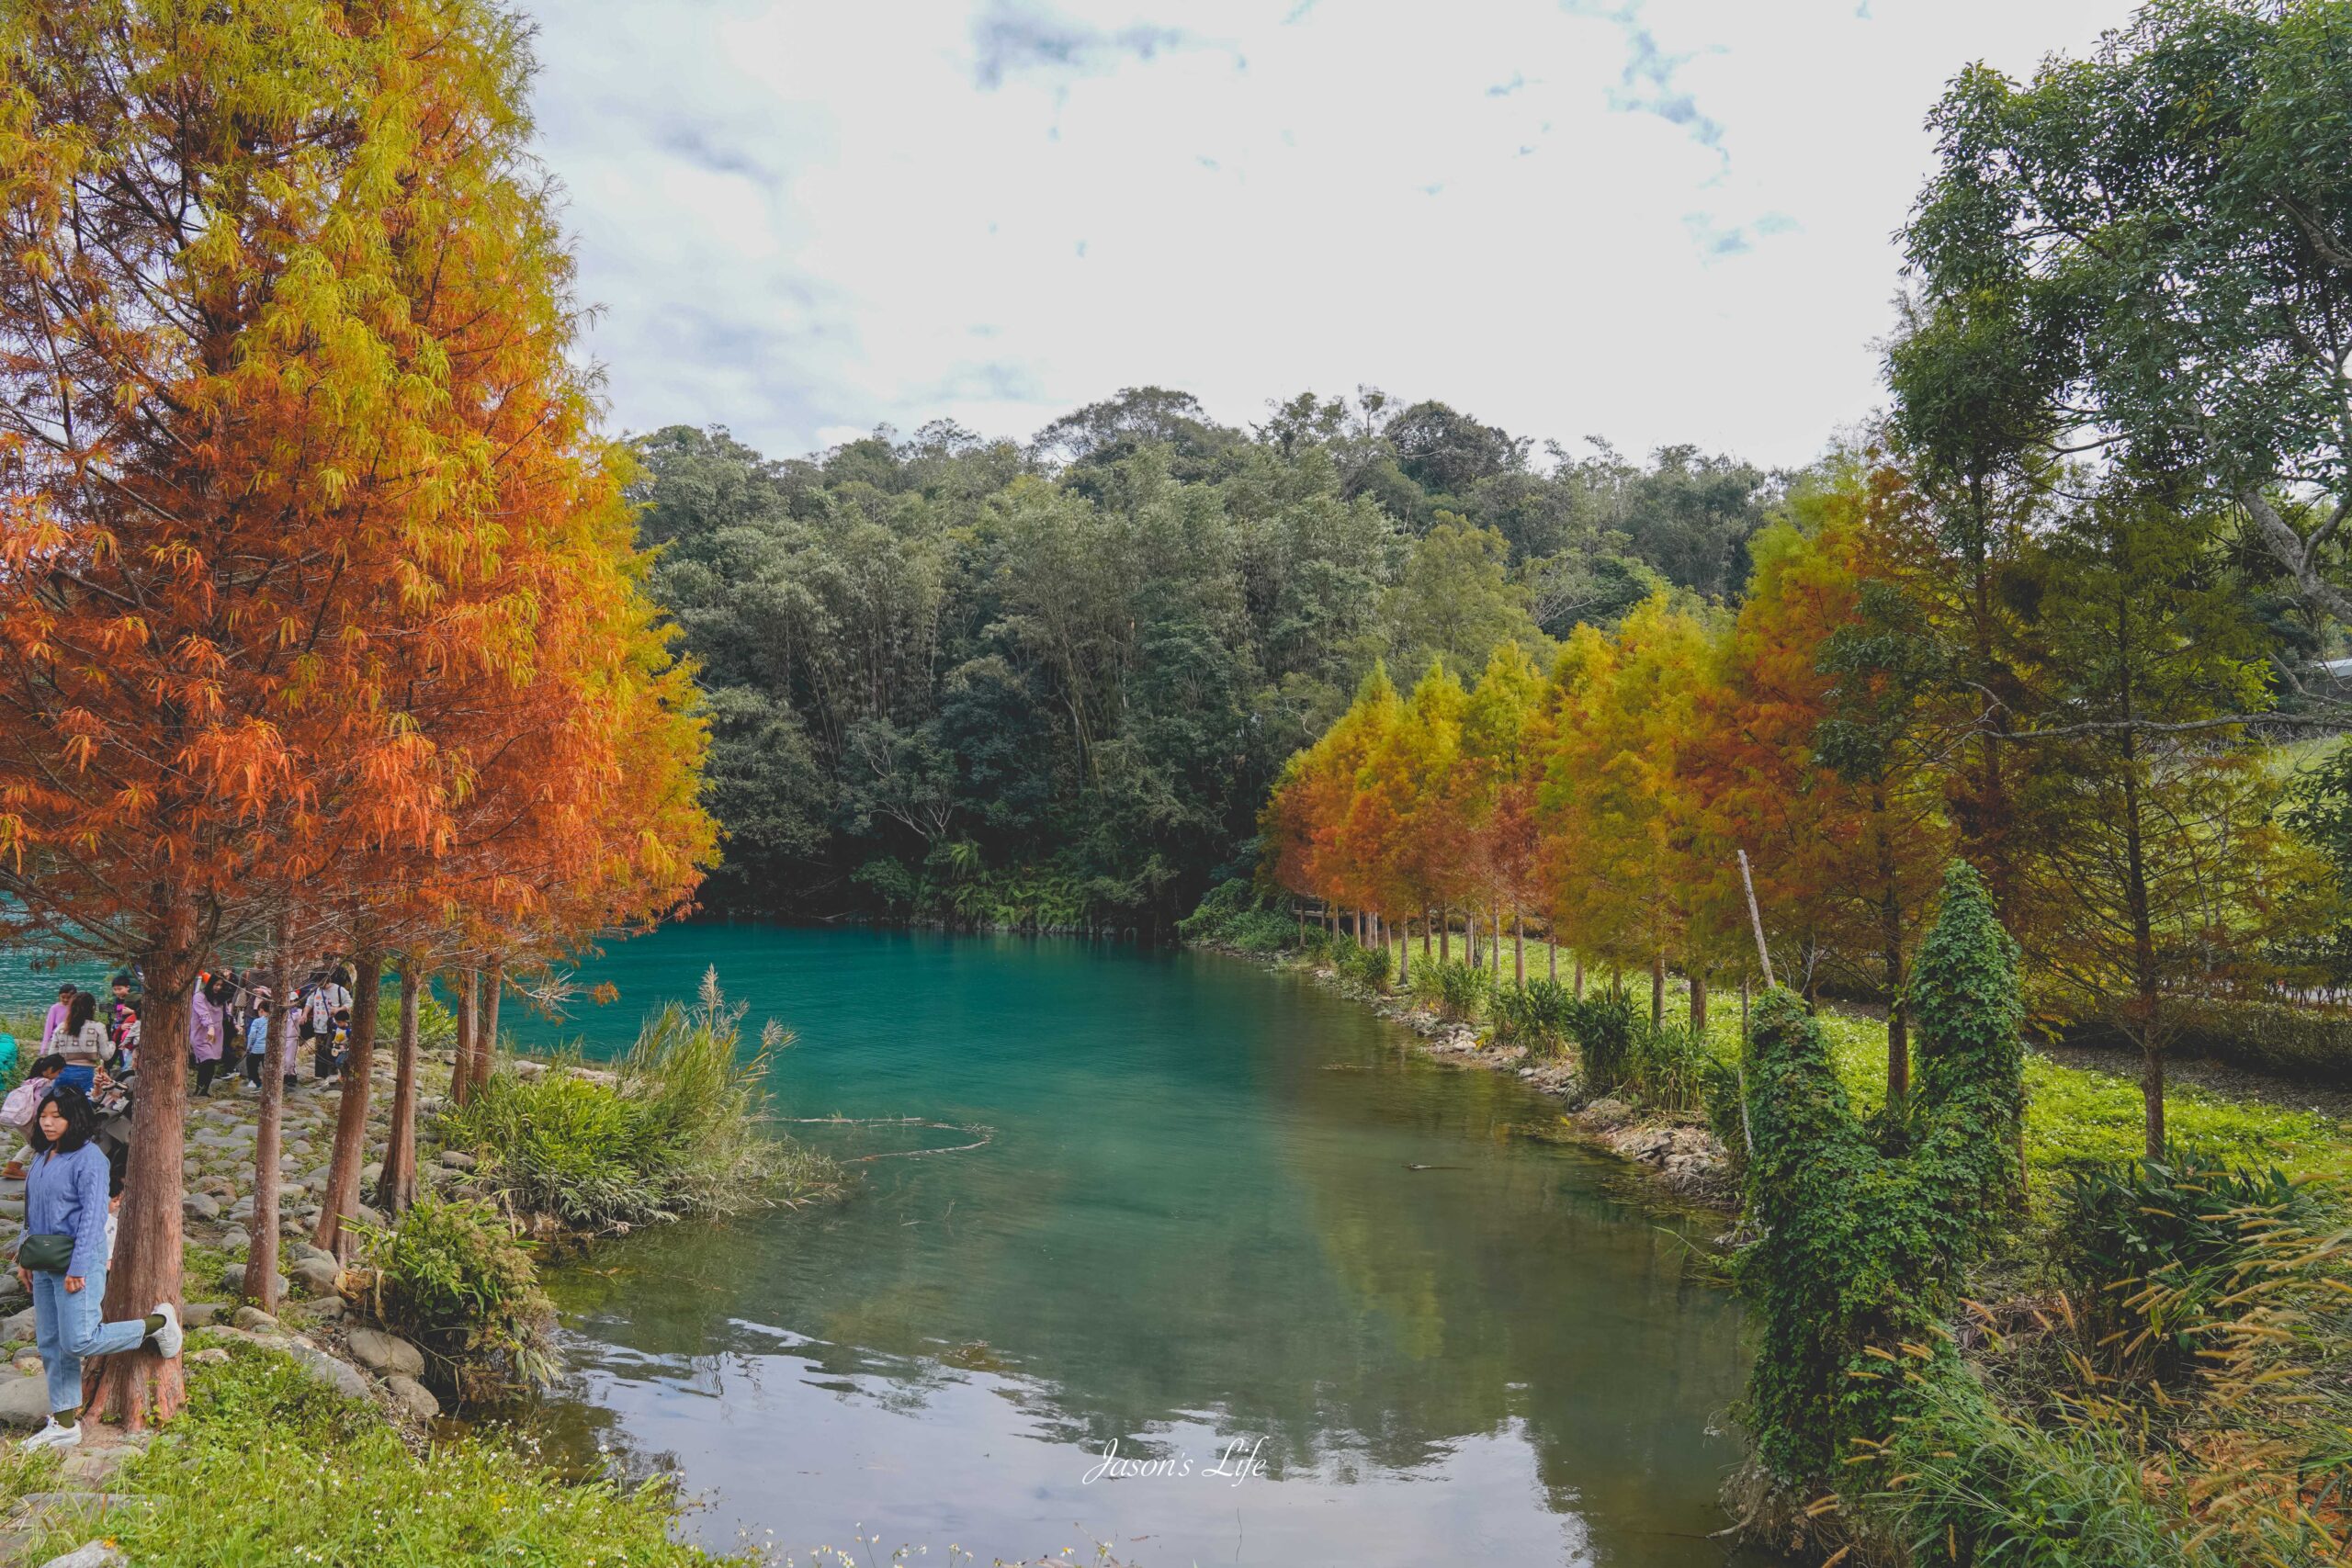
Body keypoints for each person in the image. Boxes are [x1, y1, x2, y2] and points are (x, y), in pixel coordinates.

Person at [11, 1083, 180, 1452]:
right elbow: (31, 1211)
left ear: (75, 1119)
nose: (48, 1123)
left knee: (79, 1339)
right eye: (44, 1116)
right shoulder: (43, 1157)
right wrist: (24, 1257)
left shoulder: (90, 1159)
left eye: (57, 1117)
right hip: (44, 1261)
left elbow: (92, 1216)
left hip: (79, 1261)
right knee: (51, 1343)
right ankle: (65, 1425)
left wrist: (78, 1267)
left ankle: (158, 1325)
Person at [1, 1055, 63, 1182]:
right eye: (59, 1072)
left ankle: (15, 1166)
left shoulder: (30, 1081)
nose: (59, 1075)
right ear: (50, 1069)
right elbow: (40, 1104)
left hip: (21, 1119)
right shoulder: (45, 1083)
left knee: (34, 1144)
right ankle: (26, 1168)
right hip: (32, 1119)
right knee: (41, 1143)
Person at [54, 994, 107, 1096]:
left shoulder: (61, 1027)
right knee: (85, 1103)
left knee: (59, 1103)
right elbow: (106, 1055)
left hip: (62, 1072)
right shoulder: (98, 1027)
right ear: (92, 1008)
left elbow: (52, 1053)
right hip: (86, 1073)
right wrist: (112, 1044)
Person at [187, 974, 230, 1098]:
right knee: (207, 1060)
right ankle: (199, 1090)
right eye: (216, 984)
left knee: (211, 1063)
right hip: (201, 1034)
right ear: (210, 983)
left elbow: (226, 1013)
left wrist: (235, 1025)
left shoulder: (220, 999)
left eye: (221, 985)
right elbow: (203, 1014)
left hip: (216, 1035)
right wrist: (210, 1027)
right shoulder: (199, 997)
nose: (218, 987)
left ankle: (204, 1090)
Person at [242, 995, 272, 1089]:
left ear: (261, 1010)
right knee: (267, 1068)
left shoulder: (257, 1021)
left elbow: (252, 1035)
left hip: (257, 1049)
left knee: (251, 1065)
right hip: (269, 1049)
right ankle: (269, 1085)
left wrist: (248, 1048)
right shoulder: (274, 1021)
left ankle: (257, 1083)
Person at [38, 984, 72, 1054]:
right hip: (57, 1039)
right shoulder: (55, 1008)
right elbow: (48, 1028)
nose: (66, 1000)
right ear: (59, 996)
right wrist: (44, 1048)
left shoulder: (77, 1008)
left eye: (69, 997)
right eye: (63, 997)